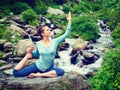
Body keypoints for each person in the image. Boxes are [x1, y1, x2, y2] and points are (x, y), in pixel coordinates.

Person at [13, 11, 72, 78]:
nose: (50, 30)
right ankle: (42, 74)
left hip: (48, 69)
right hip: (37, 67)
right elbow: (36, 54)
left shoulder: (55, 41)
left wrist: (69, 20)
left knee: (61, 72)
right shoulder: (38, 44)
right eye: (47, 30)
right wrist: (29, 52)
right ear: (42, 33)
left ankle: (38, 75)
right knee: (16, 73)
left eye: (49, 29)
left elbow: (67, 33)